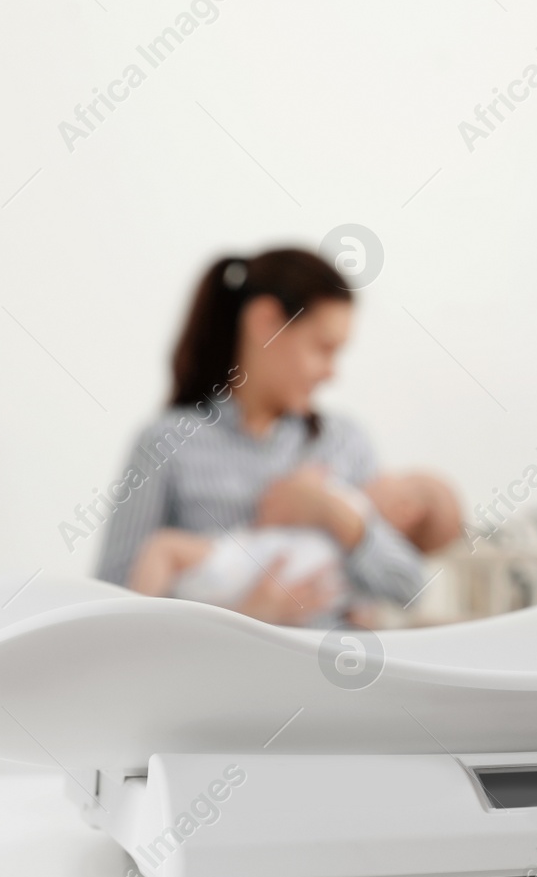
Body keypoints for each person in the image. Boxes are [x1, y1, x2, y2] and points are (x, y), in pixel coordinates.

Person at [95, 249, 431, 624]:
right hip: (217, 672)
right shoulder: (167, 443)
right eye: (323, 348)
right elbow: (114, 604)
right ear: (266, 322)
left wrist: (332, 513)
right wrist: (244, 618)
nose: (331, 374)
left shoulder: (346, 443)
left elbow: (411, 590)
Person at [124, 471, 462, 623]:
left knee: (162, 547)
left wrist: (312, 482)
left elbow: (285, 494)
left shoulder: (352, 504)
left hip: (242, 562)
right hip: (256, 606)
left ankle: (131, 632)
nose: (383, 474)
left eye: (398, 477)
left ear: (407, 510)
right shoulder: (362, 581)